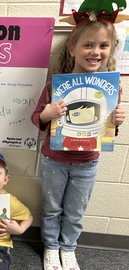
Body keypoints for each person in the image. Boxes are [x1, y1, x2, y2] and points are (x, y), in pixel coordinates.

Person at [31, 4, 127, 270]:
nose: (95, 52)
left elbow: (107, 130)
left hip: (87, 161)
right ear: (72, 48)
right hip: (54, 159)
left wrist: (117, 121)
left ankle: (68, 248)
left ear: (110, 50)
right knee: (52, 208)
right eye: (88, 45)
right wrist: (47, 113)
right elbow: (36, 118)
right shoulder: (55, 84)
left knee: (75, 211)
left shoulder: (112, 87)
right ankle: (51, 246)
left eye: (103, 46)